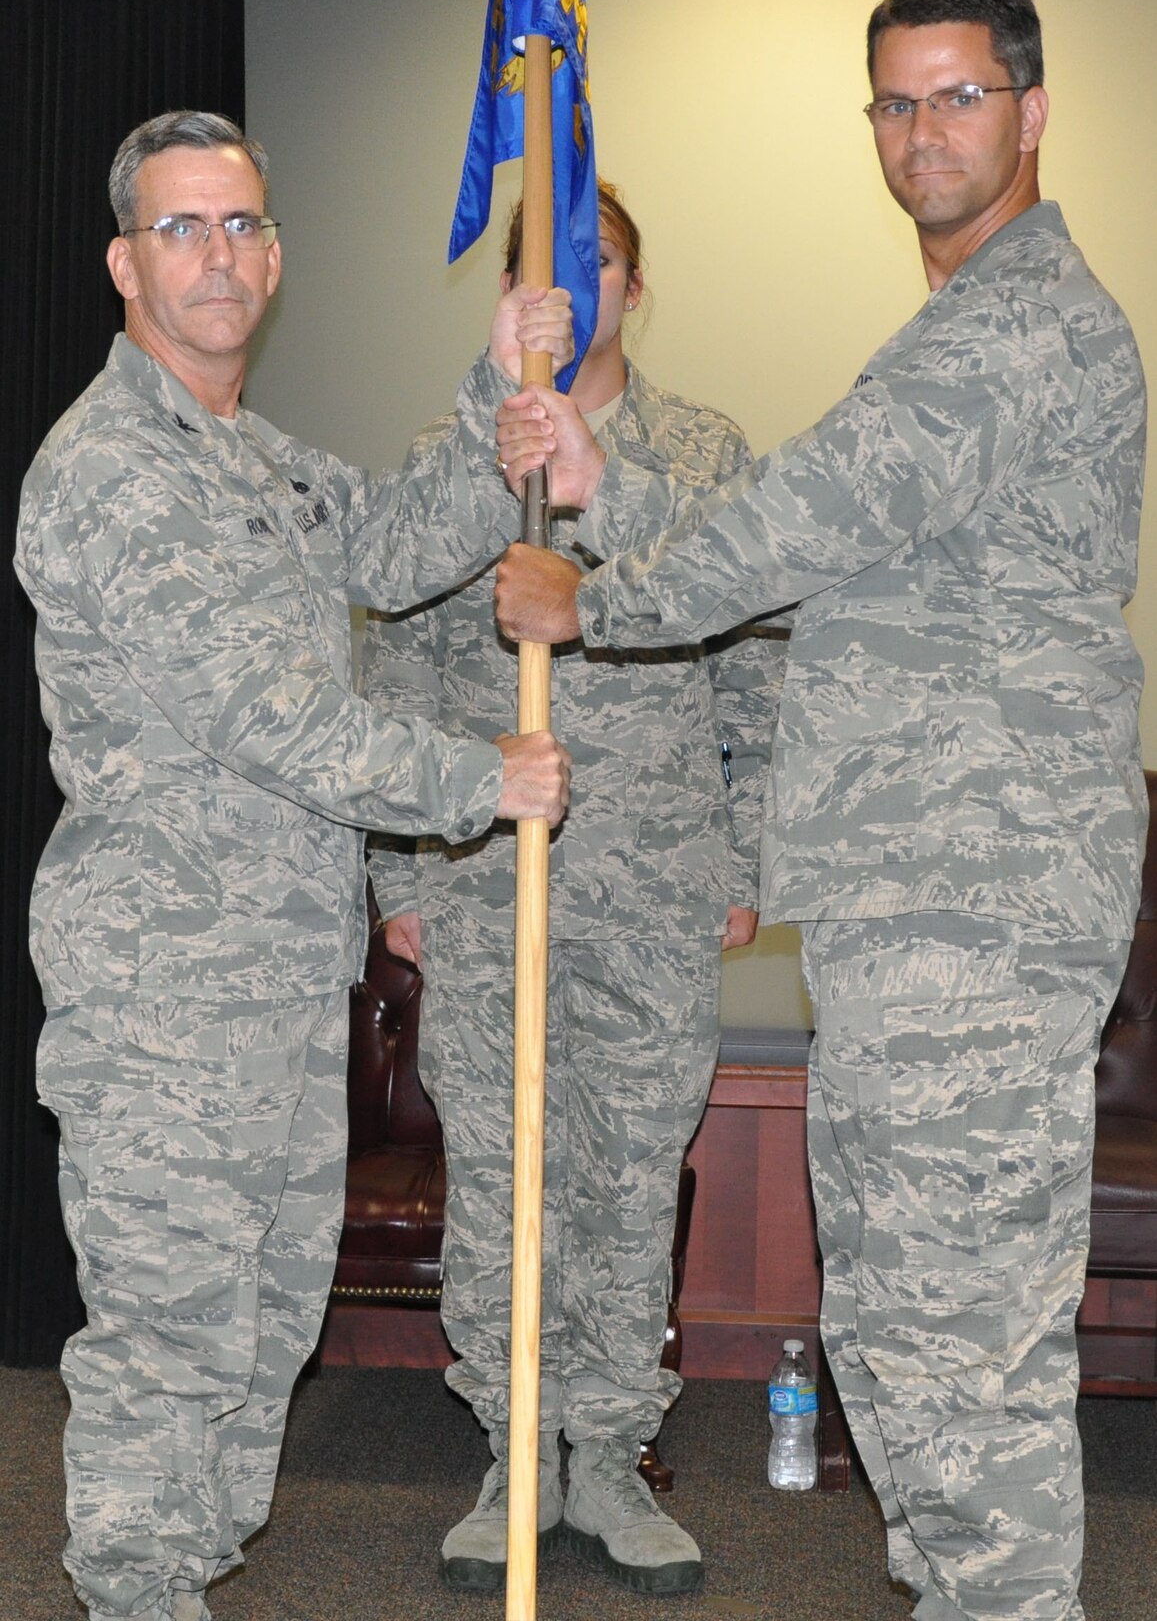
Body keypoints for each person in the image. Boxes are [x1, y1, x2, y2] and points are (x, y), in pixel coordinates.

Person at [493, 0, 1147, 1621]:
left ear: (1030, 111)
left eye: (958, 96)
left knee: (955, 1334)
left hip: (973, 912)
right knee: (902, 1323)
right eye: (895, 102)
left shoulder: (1019, 322)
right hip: (918, 912)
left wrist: (593, 596)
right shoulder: (955, 325)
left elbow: (799, 522)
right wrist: (605, 490)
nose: (924, 132)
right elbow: (841, 553)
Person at [13, 110, 572, 1621]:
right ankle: (141, 1595)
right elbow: (271, 720)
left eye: (242, 225)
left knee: (260, 1339)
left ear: (275, 256)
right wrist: (483, 782)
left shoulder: (256, 461)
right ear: (125, 265)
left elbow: (389, 546)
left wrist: (497, 392)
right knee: (171, 1345)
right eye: (182, 228)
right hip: (165, 1000)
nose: (218, 255)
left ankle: (182, 1582)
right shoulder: (114, 468)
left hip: (276, 991)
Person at [362, 179, 783, 1596]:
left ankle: (606, 1452)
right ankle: (514, 1450)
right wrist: (396, 868)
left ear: (633, 288)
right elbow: (395, 675)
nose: (569, 286)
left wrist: (743, 861)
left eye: (595, 260)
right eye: (542, 264)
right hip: (487, 880)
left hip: (655, 885)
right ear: (506, 298)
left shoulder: (702, 455)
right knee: (501, 1175)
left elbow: (757, 672)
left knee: (627, 1172)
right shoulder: (449, 464)